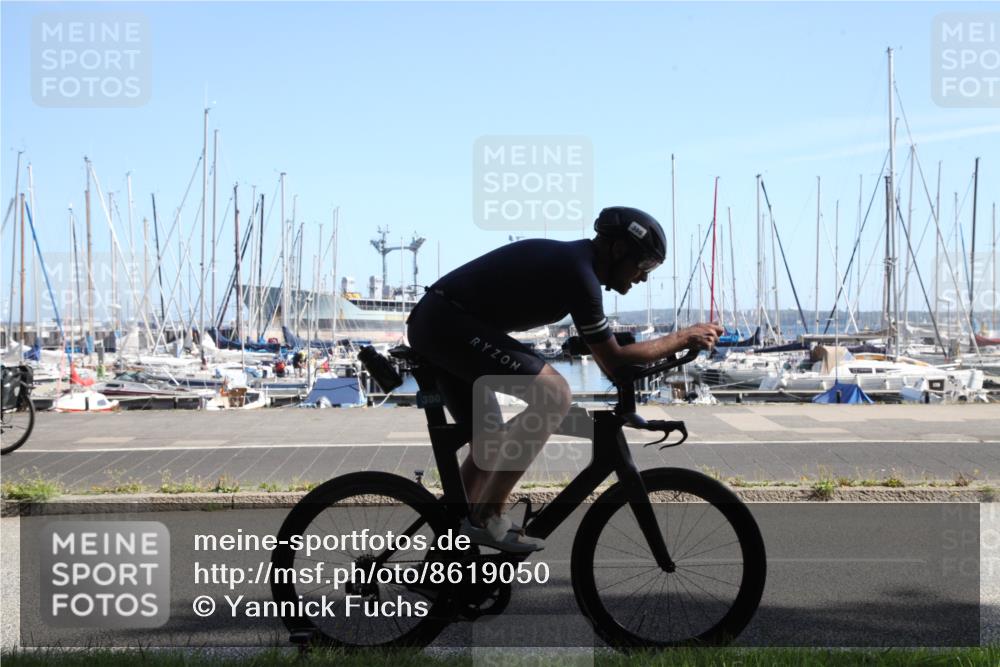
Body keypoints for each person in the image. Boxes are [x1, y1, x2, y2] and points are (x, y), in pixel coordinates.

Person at [405, 206, 722, 552]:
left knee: (490, 444)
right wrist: (682, 338)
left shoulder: (577, 267)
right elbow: (614, 360)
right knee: (554, 395)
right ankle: (490, 513)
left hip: (441, 323)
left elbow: (607, 358)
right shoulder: (579, 273)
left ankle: (445, 562)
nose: (643, 277)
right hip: (444, 324)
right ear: (617, 250)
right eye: (644, 265)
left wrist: (651, 356)